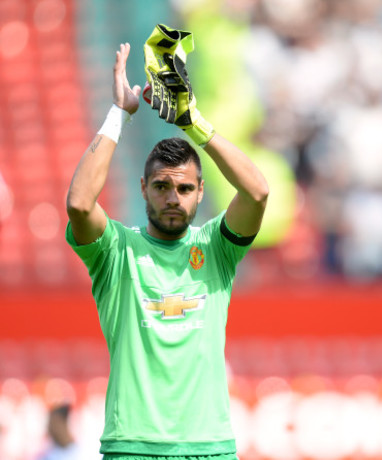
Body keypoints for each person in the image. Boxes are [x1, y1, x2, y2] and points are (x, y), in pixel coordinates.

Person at [65, 27, 268, 460]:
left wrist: (194, 122)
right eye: (161, 186)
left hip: (209, 448)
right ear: (142, 188)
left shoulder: (217, 248)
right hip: (133, 447)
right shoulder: (116, 253)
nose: (172, 198)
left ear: (199, 192)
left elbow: (256, 193)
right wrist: (120, 114)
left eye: (183, 188)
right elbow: (80, 206)